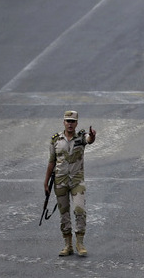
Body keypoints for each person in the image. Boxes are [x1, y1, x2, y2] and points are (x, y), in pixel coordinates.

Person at [44, 110, 96, 257]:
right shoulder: (56, 140)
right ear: (64, 122)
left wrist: (92, 136)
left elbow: (89, 140)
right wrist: (46, 182)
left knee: (79, 210)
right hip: (60, 181)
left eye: (73, 121)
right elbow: (51, 161)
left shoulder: (81, 137)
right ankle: (68, 245)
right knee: (64, 214)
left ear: (77, 123)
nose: (70, 124)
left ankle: (80, 242)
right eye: (67, 121)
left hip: (77, 181)